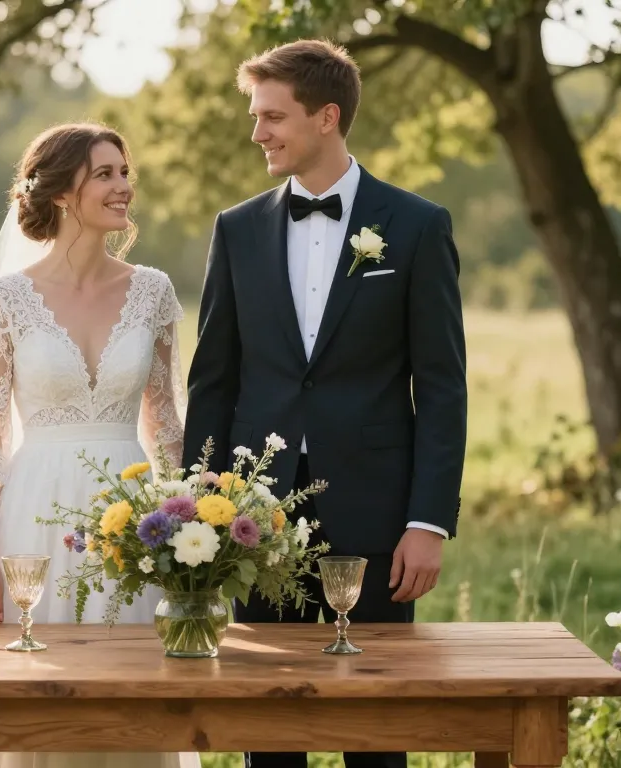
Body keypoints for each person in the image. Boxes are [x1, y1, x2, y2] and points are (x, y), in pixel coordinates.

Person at [182, 40, 468, 768]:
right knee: (270, 734)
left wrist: (427, 521)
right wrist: (197, 514)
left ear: (327, 117)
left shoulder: (416, 225)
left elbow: (440, 385)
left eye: (272, 116)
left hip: (376, 517)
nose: (258, 133)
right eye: (256, 116)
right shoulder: (236, 228)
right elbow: (213, 380)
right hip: (254, 521)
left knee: (375, 731)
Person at [0, 122, 200, 768]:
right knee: (29, 710)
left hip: (131, 524)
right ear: (64, 192)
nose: (124, 187)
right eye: (105, 174)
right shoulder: (6, 300)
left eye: (125, 172)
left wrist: (188, 537)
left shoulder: (153, 292)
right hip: (32, 521)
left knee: (129, 709)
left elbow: (168, 428)